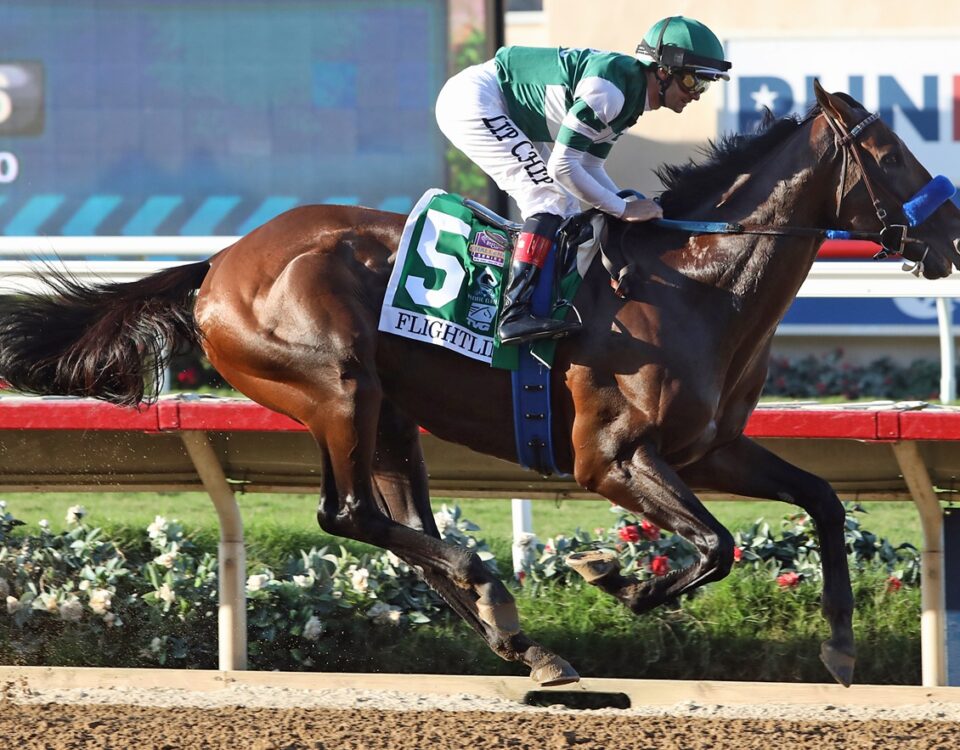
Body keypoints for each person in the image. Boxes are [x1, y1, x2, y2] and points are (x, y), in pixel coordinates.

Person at [435, 16, 731, 345]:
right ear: (663, 71)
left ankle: (543, 298)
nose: (697, 95)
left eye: (706, 85)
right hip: (476, 100)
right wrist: (621, 209)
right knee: (549, 199)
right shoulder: (612, 95)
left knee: (566, 203)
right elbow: (563, 166)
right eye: (693, 81)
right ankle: (514, 311)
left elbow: (588, 166)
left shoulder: (629, 97)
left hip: (502, 104)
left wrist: (623, 201)